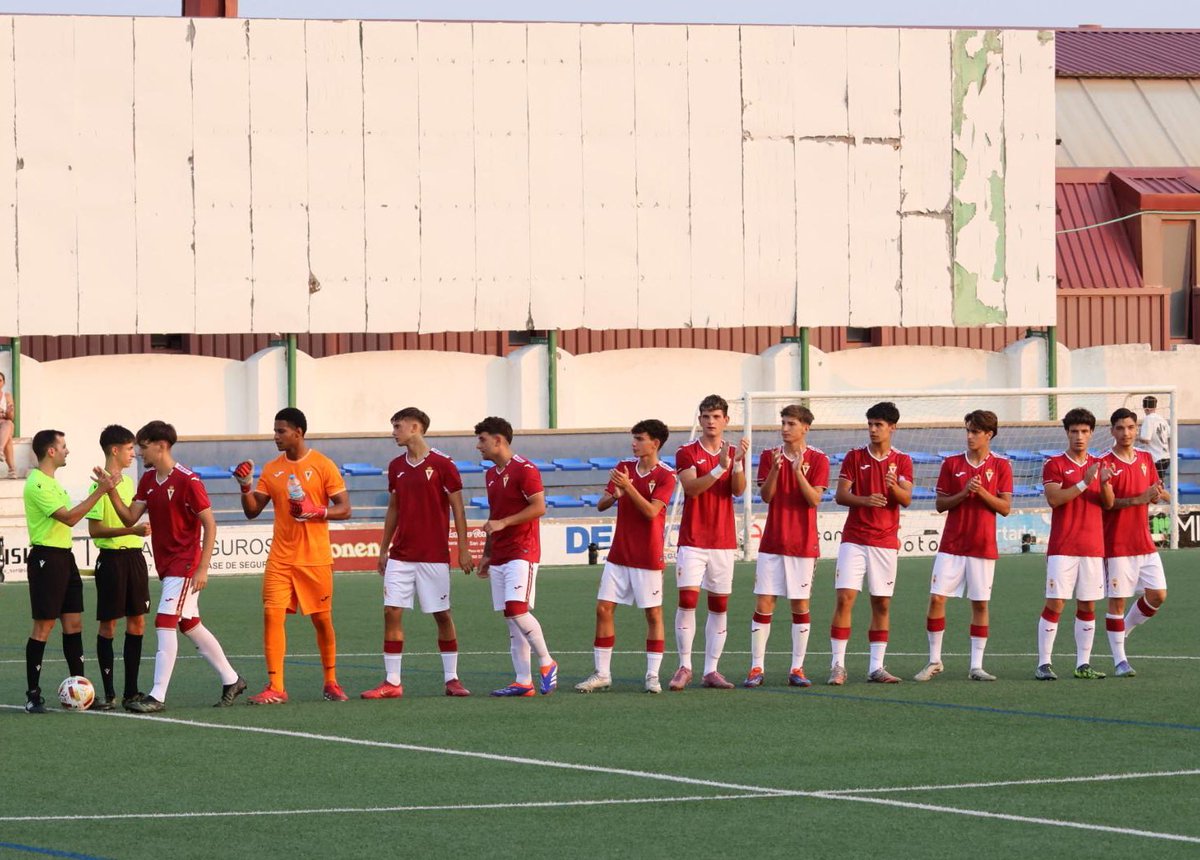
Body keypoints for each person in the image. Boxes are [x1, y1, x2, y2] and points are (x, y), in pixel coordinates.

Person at [106, 421, 245, 712]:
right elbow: (129, 518)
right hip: (168, 564)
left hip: (185, 564)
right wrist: (110, 490)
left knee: (164, 621)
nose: (140, 453)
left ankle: (157, 696)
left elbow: (210, 524)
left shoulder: (188, 480)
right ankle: (232, 679)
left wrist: (202, 568)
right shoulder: (147, 480)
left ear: (161, 446)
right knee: (188, 623)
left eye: (143, 447)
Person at [234, 407, 351, 704]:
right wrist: (245, 486)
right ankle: (276, 687)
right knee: (272, 616)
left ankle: (331, 682)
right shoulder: (272, 469)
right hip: (280, 559)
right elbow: (251, 511)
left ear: (298, 432)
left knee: (322, 620)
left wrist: (317, 511)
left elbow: (345, 508)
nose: (276, 436)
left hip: (315, 559)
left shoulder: (323, 465)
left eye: (281, 431)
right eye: (275, 431)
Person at [362, 407, 474, 699]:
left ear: (415, 427)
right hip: (401, 555)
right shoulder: (396, 466)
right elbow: (394, 509)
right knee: (391, 612)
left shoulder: (443, 464)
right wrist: (383, 548)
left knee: (441, 614)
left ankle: (452, 678)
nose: (393, 432)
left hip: (433, 555)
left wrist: (462, 548)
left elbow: (458, 508)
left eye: (397, 426)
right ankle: (392, 682)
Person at [577, 419, 677, 694]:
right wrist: (616, 495)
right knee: (603, 609)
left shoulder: (667, 475)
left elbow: (651, 512)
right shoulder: (624, 468)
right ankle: (602, 674)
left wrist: (629, 489)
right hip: (619, 553)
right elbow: (601, 504)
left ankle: (652, 675)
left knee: (653, 614)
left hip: (647, 555)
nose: (634, 443)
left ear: (654, 443)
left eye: (639, 438)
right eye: (633, 438)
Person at [913, 411, 1012, 683]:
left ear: (988, 435)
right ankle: (934, 660)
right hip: (952, 545)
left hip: (982, 546)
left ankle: (976, 666)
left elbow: (1005, 507)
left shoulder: (1002, 466)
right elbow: (940, 504)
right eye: (968, 431)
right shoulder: (951, 463)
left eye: (975, 432)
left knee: (980, 604)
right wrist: (964, 492)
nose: (970, 436)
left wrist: (981, 493)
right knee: (936, 598)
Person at [22, 430, 115, 713]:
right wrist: (102, 490)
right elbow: (71, 518)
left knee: (74, 625)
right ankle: (33, 695)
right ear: (50, 451)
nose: (67, 450)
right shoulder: (37, 484)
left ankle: (81, 689)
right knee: (44, 626)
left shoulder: (53, 483)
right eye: (63, 446)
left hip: (64, 558)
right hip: (46, 560)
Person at [744, 405, 829, 689]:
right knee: (764, 602)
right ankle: (757, 666)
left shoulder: (818, 459)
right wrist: (777, 472)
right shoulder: (770, 456)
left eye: (791, 423)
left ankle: (797, 667)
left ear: (805, 427)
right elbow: (766, 496)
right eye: (783, 422)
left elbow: (813, 500)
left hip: (803, 545)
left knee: (799, 604)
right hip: (772, 542)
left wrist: (797, 472)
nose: (784, 428)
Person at [828, 401, 913, 685]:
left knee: (882, 604)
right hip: (854, 539)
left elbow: (907, 499)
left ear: (892, 428)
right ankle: (837, 665)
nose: (873, 430)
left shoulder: (902, 461)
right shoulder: (854, 457)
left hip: (885, 542)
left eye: (879, 425)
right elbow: (840, 496)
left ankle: (876, 667)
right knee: (845, 598)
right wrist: (864, 500)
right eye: (870, 424)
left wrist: (893, 487)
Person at [669, 394, 748, 691]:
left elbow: (738, 491)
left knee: (719, 605)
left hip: (723, 541)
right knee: (687, 601)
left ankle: (711, 670)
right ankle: (685, 666)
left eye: (716, 416)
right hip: (693, 539)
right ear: (700, 419)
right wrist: (718, 468)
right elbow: (691, 489)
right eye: (705, 416)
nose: (711, 422)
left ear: (726, 420)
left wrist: (736, 465)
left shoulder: (732, 452)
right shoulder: (687, 452)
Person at [474, 416, 558, 697]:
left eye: (482, 439)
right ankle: (523, 680)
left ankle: (547, 661)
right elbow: (494, 517)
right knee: (511, 619)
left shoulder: (525, 469)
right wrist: (487, 553)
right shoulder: (491, 475)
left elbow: (539, 507)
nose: (478, 446)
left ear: (498, 440)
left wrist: (504, 523)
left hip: (523, 551)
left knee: (516, 608)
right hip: (499, 553)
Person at [1036, 407, 1106, 681]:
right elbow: (1054, 499)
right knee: (1055, 603)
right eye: (1074, 431)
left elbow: (1107, 504)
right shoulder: (1054, 464)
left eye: (1085, 431)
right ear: (1067, 433)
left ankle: (1083, 664)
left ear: (1091, 434)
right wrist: (1083, 483)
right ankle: (1043, 663)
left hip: (1092, 547)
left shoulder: (1100, 465)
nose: (1079, 436)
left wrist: (1106, 484)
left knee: (1088, 605)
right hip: (1063, 547)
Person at [1100, 407, 1170, 677]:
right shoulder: (1105, 463)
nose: (1126, 433)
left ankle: (1124, 631)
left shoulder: (1145, 458)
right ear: (1112, 431)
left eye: (1130, 427)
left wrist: (1156, 495)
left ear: (1137, 428)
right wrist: (1140, 498)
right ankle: (1120, 661)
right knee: (1116, 602)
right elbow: (1107, 504)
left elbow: (1154, 492)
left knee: (1158, 594)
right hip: (1117, 544)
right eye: (1120, 428)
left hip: (1144, 542)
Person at [86, 425, 152, 709]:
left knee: (138, 622)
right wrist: (132, 531)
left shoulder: (130, 484)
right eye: (128, 449)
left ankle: (131, 691)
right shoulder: (97, 486)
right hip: (111, 562)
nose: (133, 454)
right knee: (109, 625)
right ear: (115, 450)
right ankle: (110, 693)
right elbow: (95, 530)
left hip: (135, 559)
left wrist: (137, 533)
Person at [1137, 396, 1170, 480]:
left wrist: (1134, 437)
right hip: (1166, 456)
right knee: (1160, 483)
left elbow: (1146, 439)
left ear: (1145, 408)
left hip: (1156, 458)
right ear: (1155, 407)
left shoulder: (1148, 419)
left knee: (1155, 485)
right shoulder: (1162, 419)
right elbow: (1169, 436)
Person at [0, 371, 16, 477]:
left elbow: (11, 417)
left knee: (9, 424)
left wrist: (8, 412)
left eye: (0, 380)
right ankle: (12, 469)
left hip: (3, 425)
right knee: (8, 437)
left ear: (3, 383)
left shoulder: (7, 396)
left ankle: (0, 449)